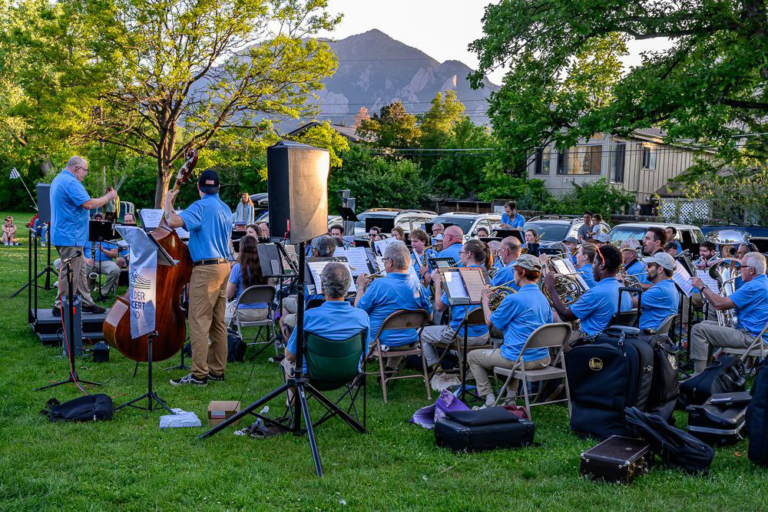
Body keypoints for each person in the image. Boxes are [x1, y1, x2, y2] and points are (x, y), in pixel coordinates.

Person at [165, 169, 233, 387]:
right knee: (218, 322)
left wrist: (168, 201)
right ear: (218, 187)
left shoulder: (200, 206)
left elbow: (172, 221)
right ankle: (217, 370)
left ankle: (199, 374)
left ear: (198, 187)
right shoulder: (225, 208)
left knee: (199, 322)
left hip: (206, 270)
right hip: (224, 266)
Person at [469, 254, 552, 407]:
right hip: (542, 358)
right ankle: (510, 398)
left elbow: (489, 322)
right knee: (510, 349)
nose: (513, 274)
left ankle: (489, 399)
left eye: (515, 270)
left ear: (521, 272)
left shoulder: (513, 299)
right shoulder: (543, 298)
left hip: (519, 359)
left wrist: (485, 299)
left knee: (473, 357)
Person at [50, 156, 117, 317]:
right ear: (77, 168)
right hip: (70, 236)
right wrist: (108, 197)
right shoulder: (71, 182)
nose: (85, 174)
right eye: (85, 170)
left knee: (80, 271)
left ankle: (86, 302)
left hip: (65, 234)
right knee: (70, 272)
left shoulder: (59, 179)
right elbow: (88, 204)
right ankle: (60, 306)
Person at [283, 262, 369, 383]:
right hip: (348, 374)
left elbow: (290, 355)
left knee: (287, 361)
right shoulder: (362, 316)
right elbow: (365, 353)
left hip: (312, 376)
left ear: (323, 285)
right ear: (349, 286)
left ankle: (294, 396)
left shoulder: (309, 317)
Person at [355, 242, 432, 372]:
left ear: (390, 262)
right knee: (397, 328)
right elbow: (430, 317)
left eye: (384, 260)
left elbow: (359, 311)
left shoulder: (379, 284)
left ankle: (357, 373)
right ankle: (390, 369)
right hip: (409, 340)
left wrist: (361, 287)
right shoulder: (418, 286)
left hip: (380, 341)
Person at [689, 252, 768, 375]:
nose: (739, 270)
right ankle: (708, 371)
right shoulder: (763, 282)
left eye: (741, 267)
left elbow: (719, 304)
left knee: (698, 329)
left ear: (751, 270)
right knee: (705, 324)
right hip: (756, 334)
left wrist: (702, 286)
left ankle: (698, 376)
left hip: (752, 338)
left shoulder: (753, 286)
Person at [423, 240, 490, 369]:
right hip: (484, 335)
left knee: (423, 333)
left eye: (461, 252)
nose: (459, 255)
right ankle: (465, 367)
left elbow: (439, 307)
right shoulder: (487, 277)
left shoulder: (455, 276)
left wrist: (438, 282)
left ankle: (437, 371)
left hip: (461, 334)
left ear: (468, 254)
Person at [545, 244, 633, 340]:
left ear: (602, 265)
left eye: (594, 263)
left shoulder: (596, 293)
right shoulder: (625, 291)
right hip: (613, 340)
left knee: (547, 333)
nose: (592, 267)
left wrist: (551, 288)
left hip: (591, 340)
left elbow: (565, 315)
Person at [280, 234, 336, 338]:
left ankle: (292, 341)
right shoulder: (338, 268)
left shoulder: (309, 267)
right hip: (332, 313)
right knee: (290, 299)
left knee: (283, 313)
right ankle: (295, 331)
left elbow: (301, 300)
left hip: (310, 314)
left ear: (316, 252)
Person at [225, 234, 270, 326]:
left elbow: (228, 294)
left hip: (243, 313)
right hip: (264, 312)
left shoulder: (238, 268)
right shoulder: (265, 267)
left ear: (241, 249)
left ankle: (227, 334)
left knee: (218, 309)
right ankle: (233, 334)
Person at [635, 253, 679, 332]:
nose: (646, 269)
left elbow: (630, 303)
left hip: (645, 334)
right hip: (651, 333)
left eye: (649, 266)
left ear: (660, 269)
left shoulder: (660, 290)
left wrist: (620, 283)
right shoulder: (669, 285)